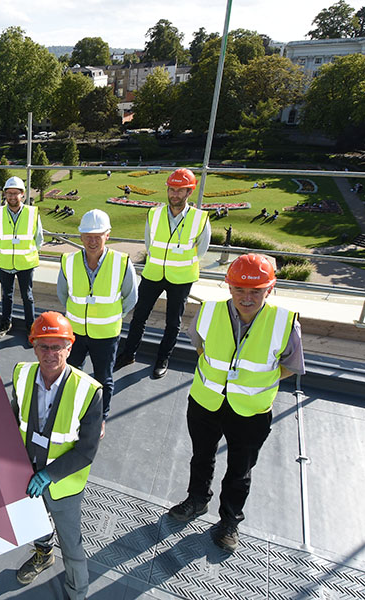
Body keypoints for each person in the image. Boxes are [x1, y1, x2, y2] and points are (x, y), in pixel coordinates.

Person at [168, 254, 303, 552]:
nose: (247, 297)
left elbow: (291, 365)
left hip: (251, 411)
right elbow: (200, 345)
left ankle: (229, 521)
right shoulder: (209, 312)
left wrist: (253, 383)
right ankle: (197, 500)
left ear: (270, 289)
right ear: (228, 287)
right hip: (206, 402)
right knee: (201, 456)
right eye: (239, 289)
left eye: (256, 291)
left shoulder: (284, 321)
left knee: (240, 470)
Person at [12, 312, 102, 599]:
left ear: (69, 347)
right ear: (33, 346)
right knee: (35, 525)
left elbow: (87, 450)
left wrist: (49, 475)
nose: (50, 354)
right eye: (43, 346)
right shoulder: (22, 374)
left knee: (71, 541)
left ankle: (78, 591)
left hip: (63, 484)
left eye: (57, 346)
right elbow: (12, 420)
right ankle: (43, 555)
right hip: (27, 474)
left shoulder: (88, 390)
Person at [115, 168, 211, 379]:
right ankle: (128, 354)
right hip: (153, 273)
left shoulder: (200, 218)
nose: (174, 194)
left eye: (180, 190)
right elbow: (150, 243)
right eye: (172, 189)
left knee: (172, 323)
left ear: (189, 192)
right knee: (139, 316)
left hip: (182, 277)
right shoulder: (154, 213)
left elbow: (201, 250)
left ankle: (162, 359)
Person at [57, 210, 137, 438]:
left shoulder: (122, 262)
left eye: (98, 236)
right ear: (80, 236)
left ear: (107, 235)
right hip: (75, 332)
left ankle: (100, 418)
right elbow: (63, 294)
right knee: (71, 373)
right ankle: (70, 414)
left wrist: (108, 316)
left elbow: (130, 297)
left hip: (106, 334)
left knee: (104, 379)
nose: (92, 241)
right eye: (88, 236)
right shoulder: (69, 261)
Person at [0, 176, 43, 341]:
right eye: (9, 193)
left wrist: (27, 253)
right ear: (5, 194)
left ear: (23, 194)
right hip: (5, 263)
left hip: (25, 263)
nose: (12, 197)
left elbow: (39, 239)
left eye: (16, 193)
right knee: (6, 296)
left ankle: (31, 327)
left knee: (27, 296)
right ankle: (5, 324)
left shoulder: (32, 213)